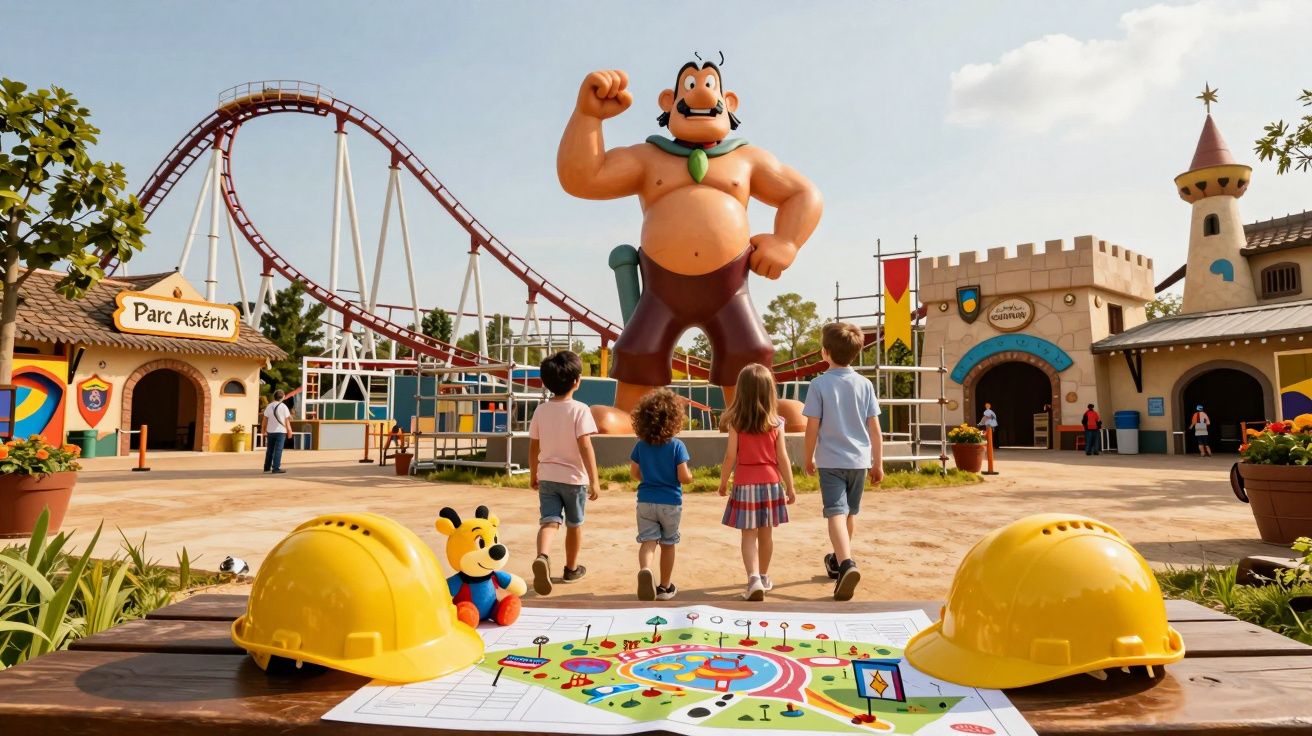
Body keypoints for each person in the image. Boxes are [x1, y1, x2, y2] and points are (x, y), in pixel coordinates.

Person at [802, 322, 883, 602]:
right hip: (859, 461)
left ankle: (847, 563)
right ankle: (839, 559)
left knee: (835, 512)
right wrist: (878, 463)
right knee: (849, 513)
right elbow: (874, 429)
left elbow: (812, 426)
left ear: (825, 353)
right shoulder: (865, 384)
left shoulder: (819, 384)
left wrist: (808, 456)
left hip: (830, 460)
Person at [719, 364, 796, 601]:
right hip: (771, 483)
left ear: (741, 391)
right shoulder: (777, 422)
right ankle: (763, 575)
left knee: (748, 536)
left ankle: (752, 578)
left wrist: (723, 482)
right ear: (768, 391)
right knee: (766, 535)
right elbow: (782, 457)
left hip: (744, 482)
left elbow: (730, 456)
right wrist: (790, 487)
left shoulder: (736, 423)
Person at [528, 351, 601, 596]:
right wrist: (594, 480)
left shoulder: (541, 411)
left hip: (547, 475)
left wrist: (533, 473)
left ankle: (543, 556)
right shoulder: (581, 410)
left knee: (549, 521)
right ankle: (571, 569)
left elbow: (533, 446)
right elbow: (586, 445)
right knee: (574, 524)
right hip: (574, 479)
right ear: (576, 381)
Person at [629, 389, 692, 601]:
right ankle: (665, 587)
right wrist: (689, 477)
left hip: (646, 501)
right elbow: (683, 476)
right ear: (675, 419)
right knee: (668, 544)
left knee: (648, 542)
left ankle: (645, 569)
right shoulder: (677, 446)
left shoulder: (641, 445)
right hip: (670, 503)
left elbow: (634, 473)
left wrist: (651, 479)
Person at [262, 389, 291, 474]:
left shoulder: (269, 406)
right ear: (283, 397)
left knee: (269, 450)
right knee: (278, 450)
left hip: (270, 431)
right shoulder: (284, 407)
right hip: (281, 432)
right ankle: (276, 468)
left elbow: (264, 420)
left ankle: (267, 468)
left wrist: (263, 430)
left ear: (274, 397)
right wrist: (289, 430)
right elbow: (287, 421)